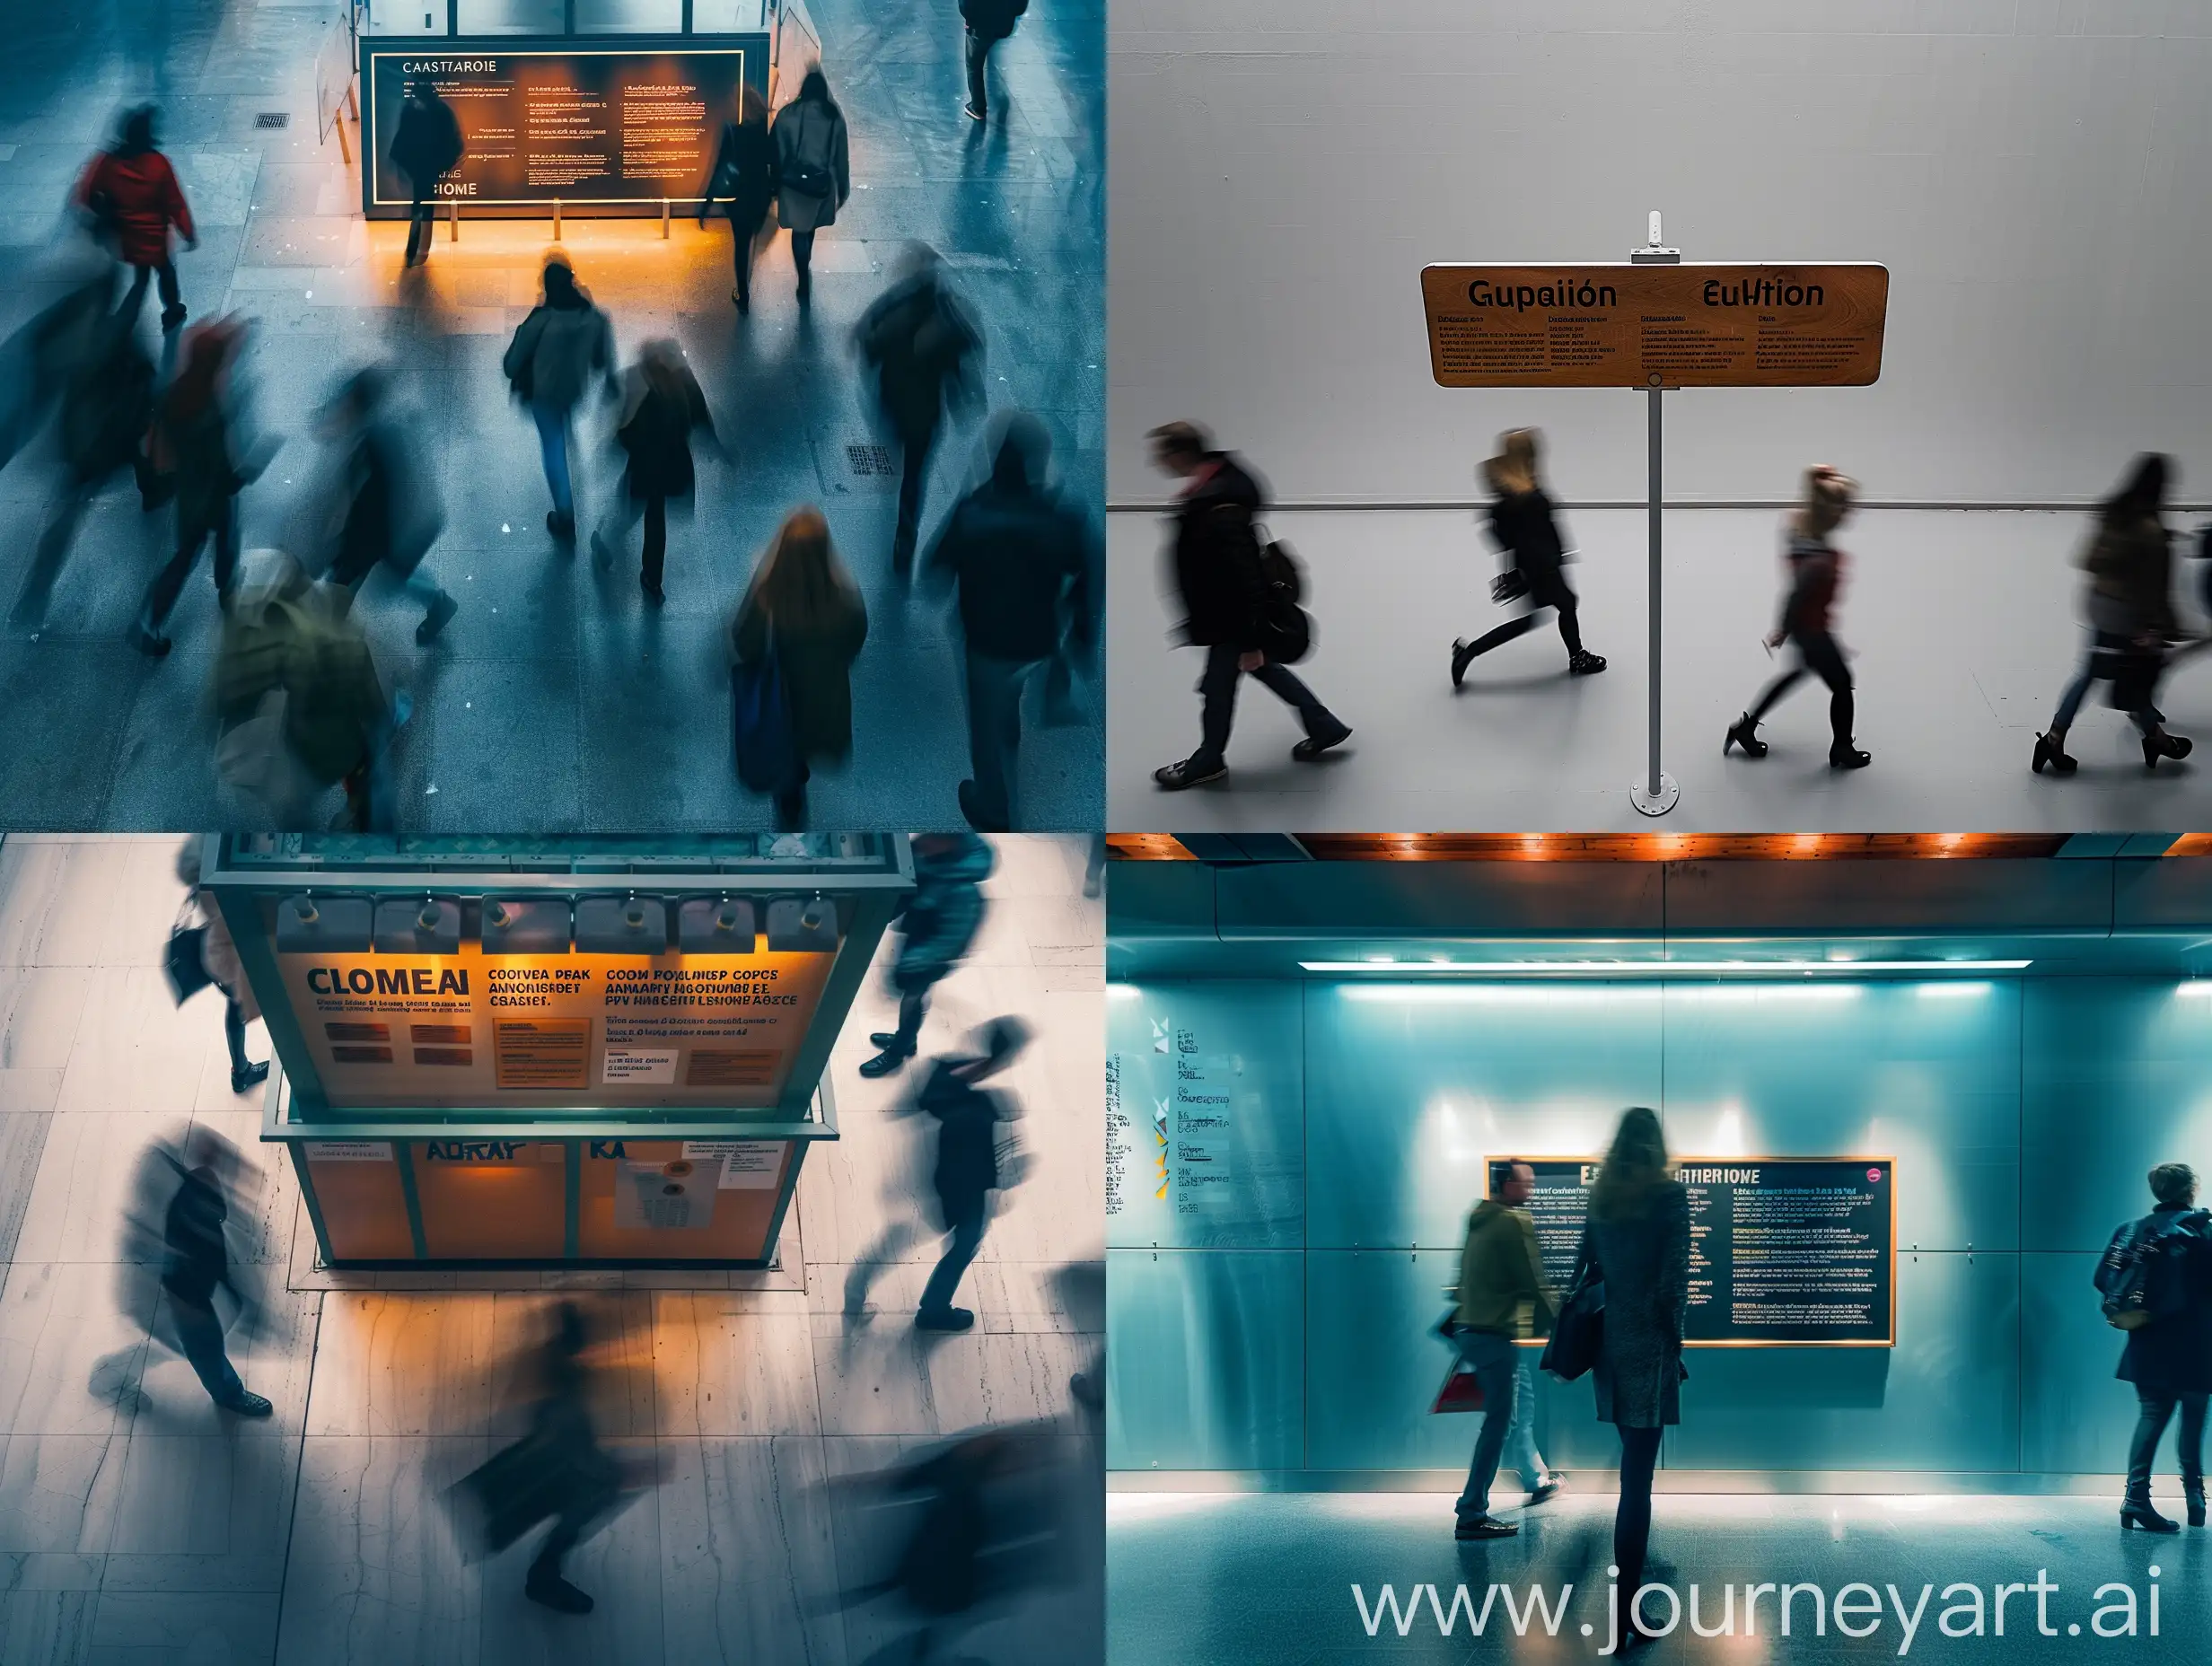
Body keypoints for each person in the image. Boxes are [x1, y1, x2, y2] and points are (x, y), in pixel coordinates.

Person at [1146, 421, 1351, 789]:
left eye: (1162, 454)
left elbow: (1245, 577)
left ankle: (1209, 759)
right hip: (1228, 615)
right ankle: (1324, 725)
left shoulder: (1220, 505)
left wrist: (1251, 638)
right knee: (1262, 669)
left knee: (1219, 687)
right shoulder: (1215, 486)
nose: (1157, 462)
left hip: (1232, 618)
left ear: (1180, 453)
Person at [924, 412, 1099, 831]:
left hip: (986, 642)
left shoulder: (973, 512)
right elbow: (1090, 573)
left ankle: (993, 807)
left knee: (983, 727)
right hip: (1039, 639)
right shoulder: (1062, 518)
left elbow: (935, 571)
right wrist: (1081, 634)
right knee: (1009, 695)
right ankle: (1011, 734)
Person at [1575, 1107, 1689, 1655]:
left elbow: (1585, 1269)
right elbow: (1672, 1287)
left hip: (1610, 1347)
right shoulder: (1668, 1197)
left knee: (1632, 1468)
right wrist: (1676, 1346)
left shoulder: (1601, 1197)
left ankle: (1630, 1602)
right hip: (1649, 1347)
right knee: (1636, 1482)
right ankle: (1628, 1613)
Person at [213, 549, 398, 830]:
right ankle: (366, 823)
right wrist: (381, 720)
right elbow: (367, 691)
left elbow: (238, 688)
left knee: (297, 805)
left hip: (304, 743)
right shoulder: (331, 628)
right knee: (362, 782)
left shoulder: (267, 638)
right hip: (344, 740)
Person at [2034, 454, 2194, 775]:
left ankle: (2155, 738)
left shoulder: (2114, 511)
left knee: (2112, 675)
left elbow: (2088, 559)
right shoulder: (2150, 532)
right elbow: (2156, 591)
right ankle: (2055, 739)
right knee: (2131, 679)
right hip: (2125, 616)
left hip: (2098, 603)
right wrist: (2162, 628)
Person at [11, 281, 151, 631]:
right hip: (113, 435)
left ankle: (35, 594)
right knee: (141, 462)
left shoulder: (81, 342)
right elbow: (146, 376)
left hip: (81, 443)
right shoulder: (121, 336)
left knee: (66, 514)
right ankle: (152, 494)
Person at [1724, 465, 1871, 769]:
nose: (1849, 513)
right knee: (1842, 684)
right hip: (1813, 630)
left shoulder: (1797, 527)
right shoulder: (1819, 562)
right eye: (1845, 508)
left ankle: (1745, 727)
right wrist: (1784, 629)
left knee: (1796, 675)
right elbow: (1796, 597)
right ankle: (1842, 748)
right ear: (1830, 515)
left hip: (1809, 628)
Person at [731, 508, 869, 829]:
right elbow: (856, 640)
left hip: (782, 697)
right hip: (826, 698)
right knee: (807, 740)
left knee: (786, 742)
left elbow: (745, 643)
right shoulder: (844, 597)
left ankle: (790, 797)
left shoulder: (769, 593)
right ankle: (801, 771)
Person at [1448, 1160, 1562, 1540]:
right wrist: (1563, 1329)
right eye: (1526, 1183)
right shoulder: (1514, 1221)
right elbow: (1532, 1279)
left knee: (1519, 1403)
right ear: (1508, 1184)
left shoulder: (1477, 1218)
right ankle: (1471, 1511)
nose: (1530, 1190)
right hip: (1495, 1334)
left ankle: (1535, 1476)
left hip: (1474, 1330)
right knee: (1500, 1422)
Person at [2095, 1162, 2212, 1532]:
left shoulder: (2130, 1230)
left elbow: (2103, 1279)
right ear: (2190, 1190)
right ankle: (2195, 1499)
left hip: (2147, 1340)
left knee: (2150, 1417)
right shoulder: (2203, 1229)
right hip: (2196, 1341)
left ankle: (2135, 1499)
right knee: (2192, 1419)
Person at [856, 244, 984, 574]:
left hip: (892, 399)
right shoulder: (949, 320)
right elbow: (960, 367)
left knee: (894, 441)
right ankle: (906, 534)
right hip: (926, 415)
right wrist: (962, 401)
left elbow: (868, 337)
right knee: (915, 475)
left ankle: (894, 461)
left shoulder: (897, 306)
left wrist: (871, 356)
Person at [130, 317, 250, 656]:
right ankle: (226, 589)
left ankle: (150, 619)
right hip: (212, 496)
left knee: (184, 557)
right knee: (226, 538)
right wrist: (242, 473)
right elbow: (222, 466)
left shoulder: (175, 393)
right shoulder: (211, 408)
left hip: (188, 496)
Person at [1451, 429, 1605, 686]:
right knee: (1555, 609)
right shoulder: (1529, 496)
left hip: (1531, 564)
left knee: (1558, 607)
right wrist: (1554, 558)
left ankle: (1468, 652)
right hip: (1542, 566)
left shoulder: (1510, 489)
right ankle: (1469, 653)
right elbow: (1541, 532)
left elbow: (1501, 534)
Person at [320, 367, 457, 644]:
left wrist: (343, 528)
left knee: (384, 577)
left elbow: (372, 503)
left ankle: (330, 642)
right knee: (393, 575)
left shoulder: (373, 441)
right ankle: (438, 602)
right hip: (398, 525)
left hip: (390, 528)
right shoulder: (382, 427)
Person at [916, 1018, 1031, 1331]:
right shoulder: (982, 1110)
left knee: (964, 1242)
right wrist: (1011, 1174)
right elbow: (984, 1163)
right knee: (965, 1244)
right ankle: (933, 1310)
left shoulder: (946, 1071)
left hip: (946, 1180)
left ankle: (934, 1307)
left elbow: (927, 1100)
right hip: (964, 1191)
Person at [593, 338, 718, 603]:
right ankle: (652, 580)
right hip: (673, 464)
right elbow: (699, 413)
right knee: (655, 518)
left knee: (629, 507)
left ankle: (605, 544)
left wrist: (613, 446)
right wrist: (716, 444)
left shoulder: (640, 384)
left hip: (644, 465)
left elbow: (626, 426)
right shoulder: (683, 379)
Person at [861, 832, 993, 1077]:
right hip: (918, 939)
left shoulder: (961, 891)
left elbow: (951, 940)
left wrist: (913, 962)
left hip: (929, 958)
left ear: (949, 843)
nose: (922, 843)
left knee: (912, 1001)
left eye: (930, 840)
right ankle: (906, 1039)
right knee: (912, 1000)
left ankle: (898, 1052)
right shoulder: (931, 857)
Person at [160, 1127, 272, 1416]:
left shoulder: (201, 1184)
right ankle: (228, 1394)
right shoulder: (180, 1206)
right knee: (198, 1342)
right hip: (182, 1288)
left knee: (175, 1338)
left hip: (196, 1278)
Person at [504, 255, 616, 543]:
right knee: (563, 428)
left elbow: (511, 365)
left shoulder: (541, 321)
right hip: (574, 389)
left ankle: (564, 514)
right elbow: (602, 362)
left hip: (544, 393)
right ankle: (573, 457)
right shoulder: (593, 318)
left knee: (553, 447)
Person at [75, 105, 195, 330]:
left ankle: (130, 306)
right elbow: (175, 203)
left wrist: (102, 210)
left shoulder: (107, 163)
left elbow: (86, 192)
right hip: (154, 239)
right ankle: (171, 311)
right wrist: (188, 232)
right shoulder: (158, 165)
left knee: (141, 274)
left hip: (127, 237)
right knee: (166, 272)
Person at [175, 839, 269, 1095]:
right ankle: (241, 1072)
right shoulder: (234, 878)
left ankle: (241, 1072)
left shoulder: (214, 851)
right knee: (241, 1005)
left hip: (222, 951)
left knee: (236, 1007)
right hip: (231, 957)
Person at [770, 68, 850, 307]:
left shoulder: (788, 114)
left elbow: (774, 149)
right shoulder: (833, 117)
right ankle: (806, 263)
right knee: (811, 225)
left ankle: (802, 275)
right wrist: (843, 187)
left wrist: (774, 182)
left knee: (799, 229)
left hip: (793, 185)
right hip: (820, 183)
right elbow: (841, 157)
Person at [701, 83, 777, 314]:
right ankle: (748, 276)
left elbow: (720, 166)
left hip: (739, 198)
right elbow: (774, 159)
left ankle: (743, 293)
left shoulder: (733, 131)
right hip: (761, 195)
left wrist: (707, 203)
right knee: (752, 238)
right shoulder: (766, 129)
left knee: (741, 245)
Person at [389, 78, 462, 268]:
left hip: (422, 167)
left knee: (422, 206)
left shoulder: (413, 111)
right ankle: (419, 249)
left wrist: (401, 163)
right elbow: (454, 141)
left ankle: (417, 249)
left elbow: (403, 139)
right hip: (427, 167)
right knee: (424, 205)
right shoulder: (440, 112)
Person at [958, 0, 1029, 121]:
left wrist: (969, 19)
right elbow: (1021, 6)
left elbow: (965, 4)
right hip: (1005, 24)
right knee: (993, 42)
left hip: (979, 26)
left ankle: (977, 107)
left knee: (974, 65)